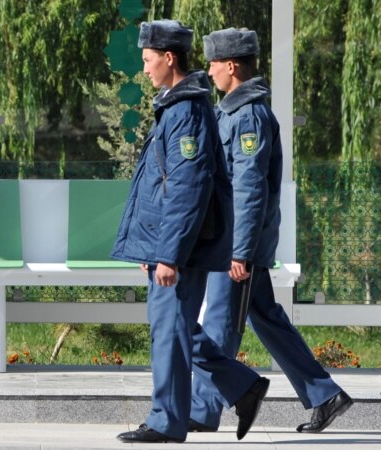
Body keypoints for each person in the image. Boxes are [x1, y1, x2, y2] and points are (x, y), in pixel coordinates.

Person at [110, 20, 270, 444]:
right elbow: (161, 185)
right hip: (170, 245)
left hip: (181, 250)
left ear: (168, 58)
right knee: (175, 328)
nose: (143, 69)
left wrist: (169, 255)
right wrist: (155, 246)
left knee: (170, 330)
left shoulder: (186, 112)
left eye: (147, 61)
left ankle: (166, 420)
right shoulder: (177, 106)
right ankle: (241, 386)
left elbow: (188, 189)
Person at [189, 27, 353, 434]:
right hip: (235, 240)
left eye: (212, 64)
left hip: (237, 244)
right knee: (265, 316)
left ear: (231, 66)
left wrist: (240, 251)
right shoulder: (234, 110)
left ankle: (203, 411)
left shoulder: (249, 116)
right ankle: (324, 394)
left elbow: (248, 189)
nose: (208, 72)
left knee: (220, 323)